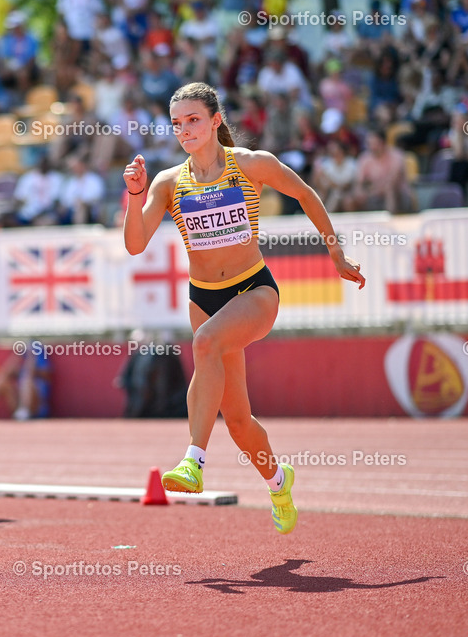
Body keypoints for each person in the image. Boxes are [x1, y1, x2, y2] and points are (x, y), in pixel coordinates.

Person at [122, 82, 365, 534]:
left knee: (205, 342)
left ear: (216, 121)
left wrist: (336, 255)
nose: (185, 130)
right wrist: (135, 197)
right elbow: (136, 245)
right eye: (177, 124)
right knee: (236, 419)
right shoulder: (169, 182)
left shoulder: (251, 165)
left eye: (194, 120)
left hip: (254, 291)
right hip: (203, 297)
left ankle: (193, 461)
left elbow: (306, 195)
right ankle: (278, 481)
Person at [0, 350, 51, 421]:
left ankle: (25, 410)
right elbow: (5, 372)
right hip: (18, 406)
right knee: (1, 380)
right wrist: (16, 356)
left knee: (27, 380)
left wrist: (31, 357)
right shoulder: (21, 364)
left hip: (36, 407)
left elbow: (32, 373)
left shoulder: (41, 361)